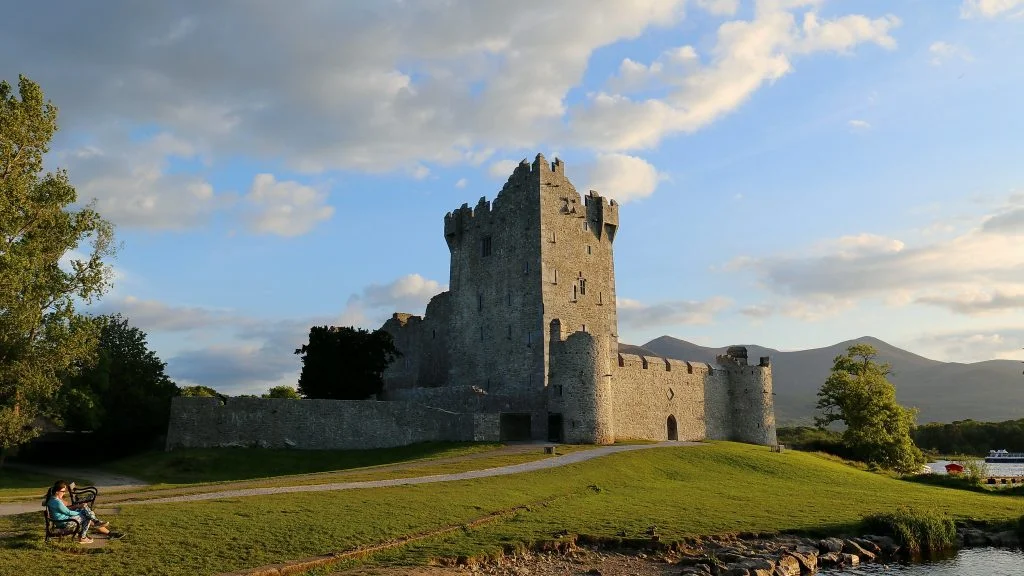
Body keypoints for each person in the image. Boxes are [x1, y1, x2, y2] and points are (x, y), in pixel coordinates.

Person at [43, 480, 113, 544]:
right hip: (64, 523)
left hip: (64, 520)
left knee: (85, 509)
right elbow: (68, 512)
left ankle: (94, 523)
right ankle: (84, 535)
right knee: (87, 516)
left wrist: (78, 507)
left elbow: (64, 508)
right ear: (57, 492)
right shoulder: (56, 502)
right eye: (63, 491)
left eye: (65, 491)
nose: (64, 493)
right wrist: (79, 512)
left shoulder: (53, 499)